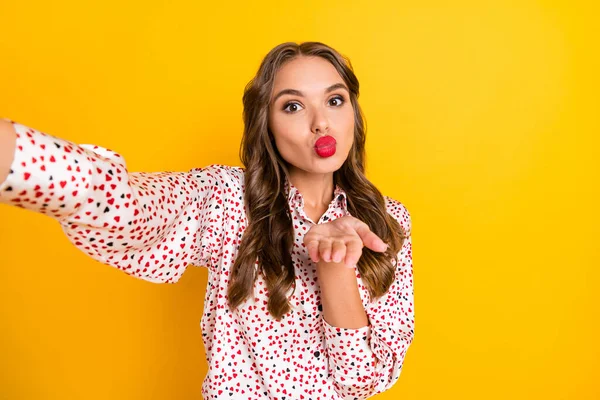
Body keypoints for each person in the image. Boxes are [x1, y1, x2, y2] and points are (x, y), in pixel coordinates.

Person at [0, 41, 414, 399]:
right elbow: (129, 206)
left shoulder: (389, 222)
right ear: (266, 127)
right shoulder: (227, 199)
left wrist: (335, 266)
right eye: (292, 106)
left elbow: (362, 380)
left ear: (354, 113)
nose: (321, 121)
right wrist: (20, 159)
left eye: (335, 100)